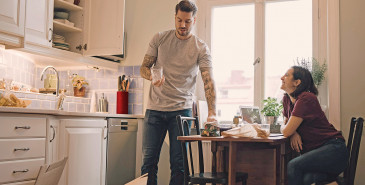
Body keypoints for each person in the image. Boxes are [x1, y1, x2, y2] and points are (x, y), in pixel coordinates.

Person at [139, 1, 217, 184]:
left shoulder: (201, 47)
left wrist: (212, 112)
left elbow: (208, 81)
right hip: (154, 110)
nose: (183, 25)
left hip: (181, 111)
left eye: (188, 21)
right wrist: (151, 76)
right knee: (148, 164)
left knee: (179, 165)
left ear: (194, 20)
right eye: (179, 20)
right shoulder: (159, 38)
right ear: (175, 17)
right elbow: (144, 67)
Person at [280, 66, 348, 185]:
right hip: (318, 153)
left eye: (286, 75)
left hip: (333, 150)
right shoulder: (286, 99)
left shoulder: (306, 98)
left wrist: (290, 131)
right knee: (307, 179)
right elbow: (284, 125)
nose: (282, 77)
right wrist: (293, 132)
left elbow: (285, 131)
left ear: (297, 82)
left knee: (293, 165)